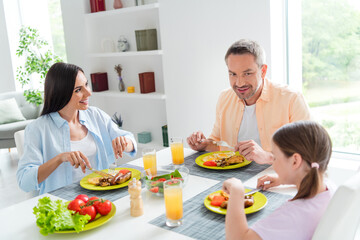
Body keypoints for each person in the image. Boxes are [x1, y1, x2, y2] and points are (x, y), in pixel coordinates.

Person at [17, 62, 137, 194]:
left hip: (100, 196)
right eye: (78, 90)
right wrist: (60, 158)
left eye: (86, 85)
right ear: (61, 93)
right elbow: (24, 181)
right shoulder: (37, 129)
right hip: (62, 203)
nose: (88, 93)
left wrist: (124, 143)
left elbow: (130, 141)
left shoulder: (95, 115)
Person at [187, 39, 311, 164]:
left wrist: (267, 157)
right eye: (233, 74)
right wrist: (204, 145)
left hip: (277, 176)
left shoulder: (292, 99)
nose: (239, 83)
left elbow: (310, 153)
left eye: (247, 73)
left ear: (263, 71)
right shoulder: (225, 98)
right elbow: (219, 143)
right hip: (233, 176)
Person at [222, 121, 334, 240]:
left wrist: (237, 192)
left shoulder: (291, 216)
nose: (274, 164)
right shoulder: (329, 188)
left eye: (275, 157)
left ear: (295, 161)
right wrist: (285, 179)